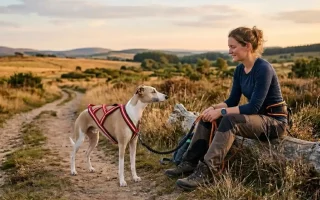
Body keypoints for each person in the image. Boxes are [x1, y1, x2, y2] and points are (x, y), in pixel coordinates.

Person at [164, 26, 289, 191]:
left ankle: (208, 171)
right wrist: (212, 109)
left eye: (233, 46)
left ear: (248, 47)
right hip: (256, 118)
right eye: (229, 46)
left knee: (230, 119)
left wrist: (221, 112)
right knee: (208, 117)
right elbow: (232, 101)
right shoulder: (239, 70)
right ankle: (189, 162)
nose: (229, 51)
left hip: (274, 122)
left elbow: (253, 107)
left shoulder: (264, 69)